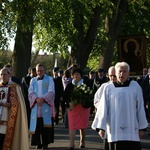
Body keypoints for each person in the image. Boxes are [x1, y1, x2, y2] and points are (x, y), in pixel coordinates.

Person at [92, 62, 148, 150]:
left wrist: (142, 127)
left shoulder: (135, 87)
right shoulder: (108, 88)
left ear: (128, 73)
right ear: (116, 73)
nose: (122, 74)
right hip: (114, 129)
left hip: (132, 129)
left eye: (124, 71)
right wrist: (101, 127)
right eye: (119, 71)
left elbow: (140, 107)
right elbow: (103, 108)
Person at [0, 68, 29, 150]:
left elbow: (18, 104)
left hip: (8, 119)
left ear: (9, 75)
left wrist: (10, 103)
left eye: (5, 74)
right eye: (1, 74)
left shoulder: (15, 87)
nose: (2, 76)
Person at [28, 63, 55, 149]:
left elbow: (51, 91)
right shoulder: (33, 80)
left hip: (45, 104)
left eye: (41, 70)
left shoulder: (50, 79)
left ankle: (45, 143)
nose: (39, 72)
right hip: (36, 105)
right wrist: (36, 99)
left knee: (45, 125)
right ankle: (37, 142)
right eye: (38, 71)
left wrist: (43, 99)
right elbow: (30, 92)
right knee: (37, 124)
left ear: (45, 71)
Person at [63, 68, 91, 150]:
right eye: (74, 74)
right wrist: (69, 102)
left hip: (83, 107)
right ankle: (71, 144)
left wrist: (83, 99)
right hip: (72, 108)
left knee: (83, 126)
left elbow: (90, 95)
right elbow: (65, 96)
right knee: (72, 125)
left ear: (81, 75)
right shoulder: (69, 85)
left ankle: (82, 141)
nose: (75, 76)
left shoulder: (86, 84)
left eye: (77, 74)